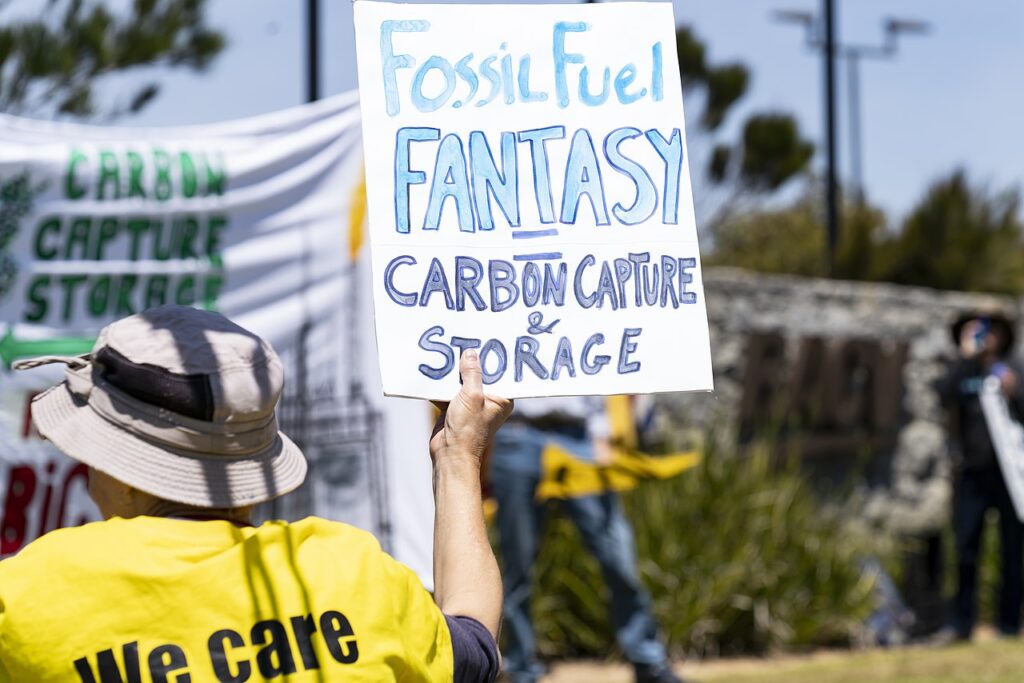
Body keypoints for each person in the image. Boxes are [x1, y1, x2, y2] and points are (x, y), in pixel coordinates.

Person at [0, 304, 512, 682]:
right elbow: (474, 647)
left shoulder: (25, 597)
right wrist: (458, 454)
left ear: (124, 466)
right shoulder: (355, 574)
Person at [489, 398, 686, 683]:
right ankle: (520, 669)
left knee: (617, 553)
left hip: (579, 437)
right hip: (516, 435)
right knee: (515, 564)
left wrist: (600, 433)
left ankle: (648, 661)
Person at [936, 311, 1024, 641]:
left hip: (1011, 476)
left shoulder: (1014, 369)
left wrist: (1014, 391)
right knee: (964, 549)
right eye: (977, 330)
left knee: (1012, 552)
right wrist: (964, 357)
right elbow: (942, 395)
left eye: (991, 330)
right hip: (971, 474)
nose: (985, 336)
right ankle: (960, 624)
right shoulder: (963, 372)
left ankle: (1008, 624)